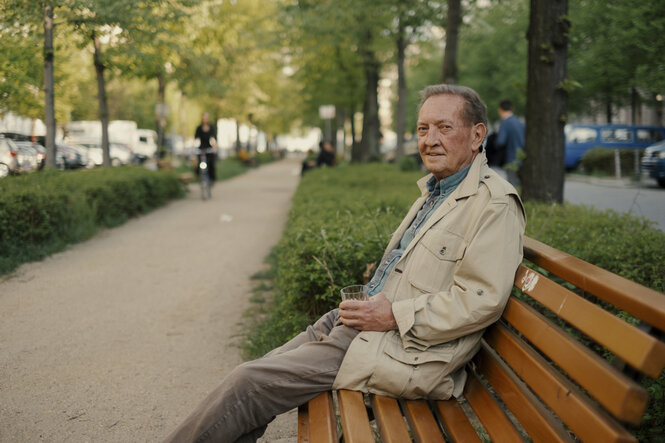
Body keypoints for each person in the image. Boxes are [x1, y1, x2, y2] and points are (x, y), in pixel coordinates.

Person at [163, 84, 526, 443]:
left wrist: (392, 315)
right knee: (258, 374)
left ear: (477, 135)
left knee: (249, 384)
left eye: (444, 128)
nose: (430, 139)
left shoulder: (494, 204)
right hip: (362, 325)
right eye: (422, 129)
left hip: (402, 350)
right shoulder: (438, 190)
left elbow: (480, 300)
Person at [496, 100, 525, 187]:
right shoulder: (520, 122)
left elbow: (500, 141)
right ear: (512, 109)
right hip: (522, 158)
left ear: (500, 110)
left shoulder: (505, 122)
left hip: (510, 159)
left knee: (512, 186)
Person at [194, 112, 218, 183]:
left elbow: (212, 139)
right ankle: (200, 176)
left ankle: (212, 179)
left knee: (211, 163)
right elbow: (196, 139)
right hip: (201, 148)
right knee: (199, 163)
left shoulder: (211, 128)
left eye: (206, 118)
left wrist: (214, 148)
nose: (204, 120)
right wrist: (193, 149)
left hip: (209, 148)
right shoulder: (199, 128)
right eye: (203, 118)